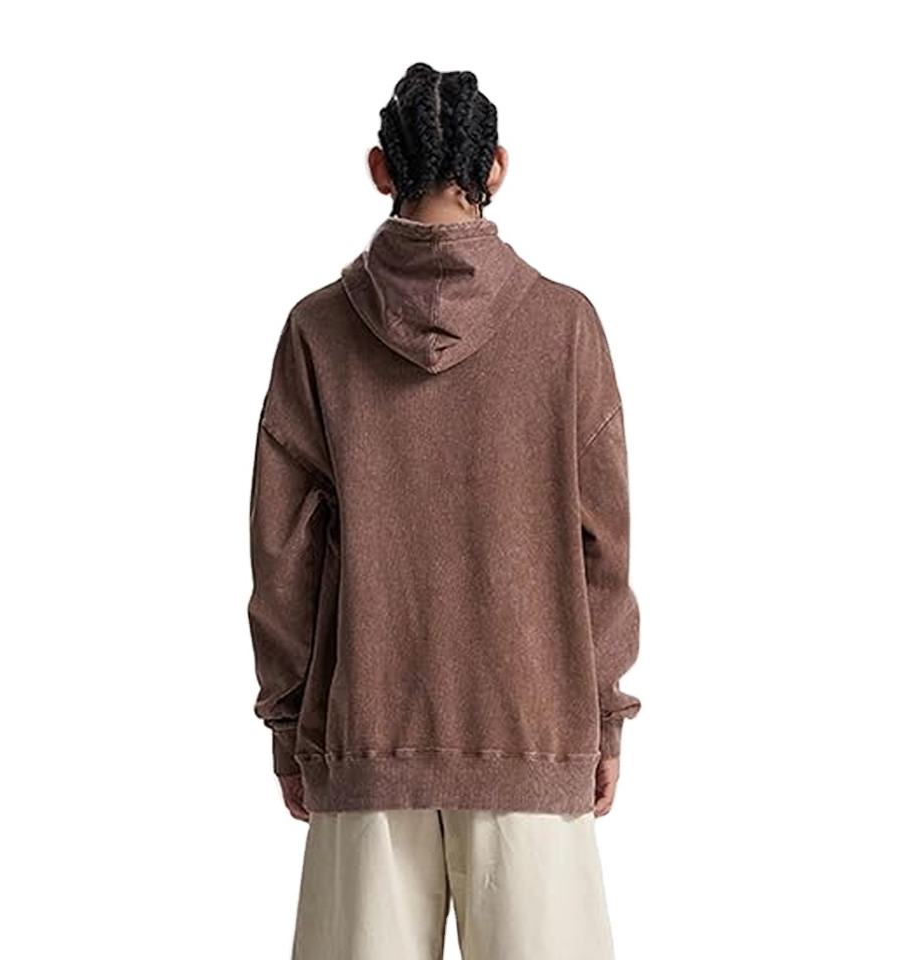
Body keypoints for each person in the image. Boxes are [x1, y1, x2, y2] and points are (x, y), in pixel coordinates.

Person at [247, 61, 642, 960]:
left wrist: (291, 725)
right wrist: (603, 714)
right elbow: (605, 548)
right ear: (495, 165)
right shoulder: (565, 326)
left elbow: (282, 557)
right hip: (532, 733)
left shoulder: (317, 331)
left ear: (380, 168)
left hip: (367, 735)